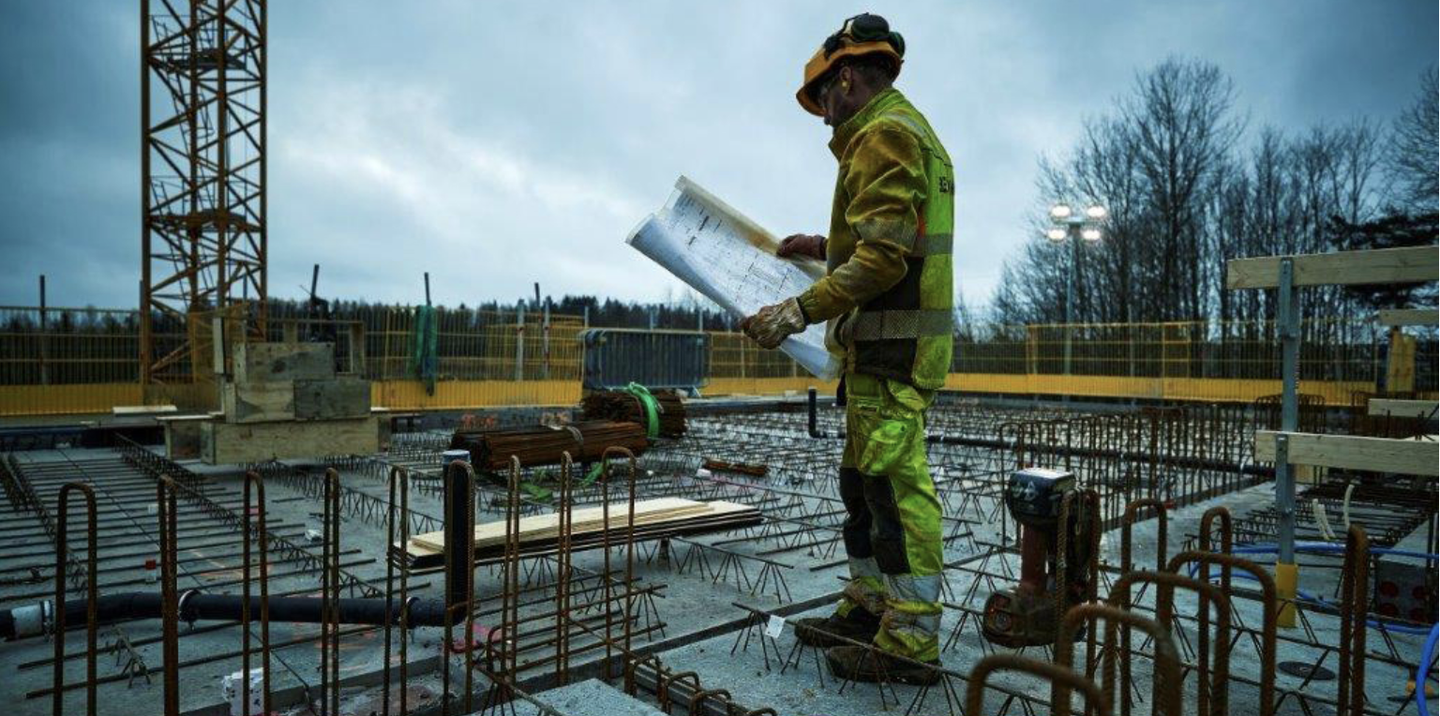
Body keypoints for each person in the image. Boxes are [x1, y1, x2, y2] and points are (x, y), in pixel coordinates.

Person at [740, 12, 954, 685]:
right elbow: (894, 238)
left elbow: (887, 260)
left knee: (893, 488)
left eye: (825, 99)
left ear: (850, 79)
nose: (825, 115)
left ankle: (911, 638)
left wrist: (796, 310)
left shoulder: (884, 133)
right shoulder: (897, 130)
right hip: (878, 346)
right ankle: (871, 607)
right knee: (861, 485)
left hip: (893, 347)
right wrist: (825, 247)